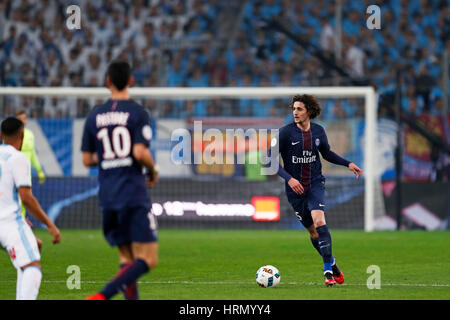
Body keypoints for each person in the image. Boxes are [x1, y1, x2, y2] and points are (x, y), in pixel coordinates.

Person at [81, 60, 159, 300]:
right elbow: (139, 152)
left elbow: (86, 159)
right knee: (148, 259)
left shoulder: (94, 115)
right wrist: (152, 170)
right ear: (131, 81)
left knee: (126, 260)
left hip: (107, 194)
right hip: (132, 192)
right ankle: (102, 296)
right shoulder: (137, 112)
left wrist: (107, 158)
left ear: (107, 82)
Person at [274, 94, 362, 286]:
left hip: (315, 184)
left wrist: (348, 164)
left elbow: (327, 153)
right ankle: (333, 263)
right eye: (294, 109)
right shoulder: (285, 133)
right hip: (295, 190)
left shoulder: (319, 131)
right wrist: (289, 179)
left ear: (309, 112)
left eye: (299, 109)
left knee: (320, 220)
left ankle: (327, 272)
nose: (295, 113)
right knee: (313, 233)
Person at [0, 117, 61, 300]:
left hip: (9, 220)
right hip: (6, 222)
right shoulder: (19, 159)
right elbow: (27, 197)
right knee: (33, 266)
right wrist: (50, 224)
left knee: (36, 245)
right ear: (23, 135)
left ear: (1, 135)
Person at [15, 110, 45, 252]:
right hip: (14, 174)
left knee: (25, 202)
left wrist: (39, 170)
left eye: (24, 118)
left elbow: (32, 154)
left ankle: (21, 228)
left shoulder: (30, 135)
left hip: (26, 175)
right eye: (20, 119)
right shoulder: (13, 136)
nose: (23, 121)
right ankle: (18, 228)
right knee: (18, 201)